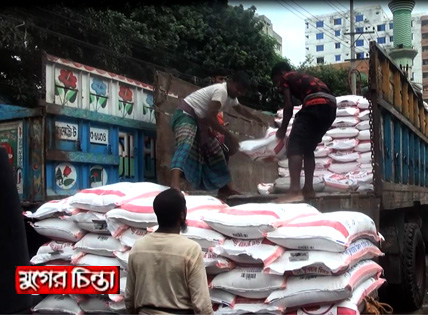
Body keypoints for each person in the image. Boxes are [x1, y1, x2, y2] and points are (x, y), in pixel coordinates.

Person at [170, 71, 263, 200]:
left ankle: (225, 188)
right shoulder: (221, 91)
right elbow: (210, 117)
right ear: (230, 82)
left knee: (216, 151)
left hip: (200, 121)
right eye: (238, 89)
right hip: (186, 115)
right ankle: (174, 185)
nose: (239, 93)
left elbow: (240, 109)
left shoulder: (231, 97)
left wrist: (255, 118)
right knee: (185, 145)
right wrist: (229, 135)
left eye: (242, 91)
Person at [125, 189, 213, 314]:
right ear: (182, 215)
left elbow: (129, 298)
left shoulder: (138, 247)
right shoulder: (190, 249)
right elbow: (202, 305)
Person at [270, 61, 337, 202]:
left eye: (276, 81)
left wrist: (282, 130)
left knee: (294, 145)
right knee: (308, 148)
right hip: (330, 107)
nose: (278, 86)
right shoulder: (303, 77)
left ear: (280, 74)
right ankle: (308, 189)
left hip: (315, 103)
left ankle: (294, 190)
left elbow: (288, 107)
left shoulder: (286, 77)